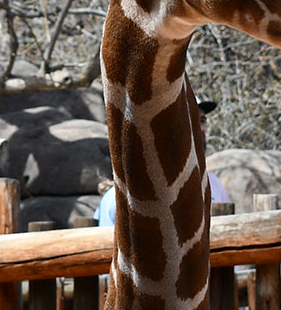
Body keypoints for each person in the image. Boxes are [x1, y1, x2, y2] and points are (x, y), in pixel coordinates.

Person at [96, 97, 230, 226]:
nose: (201, 128)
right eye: (190, 119)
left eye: (202, 120)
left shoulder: (213, 185)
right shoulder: (121, 197)